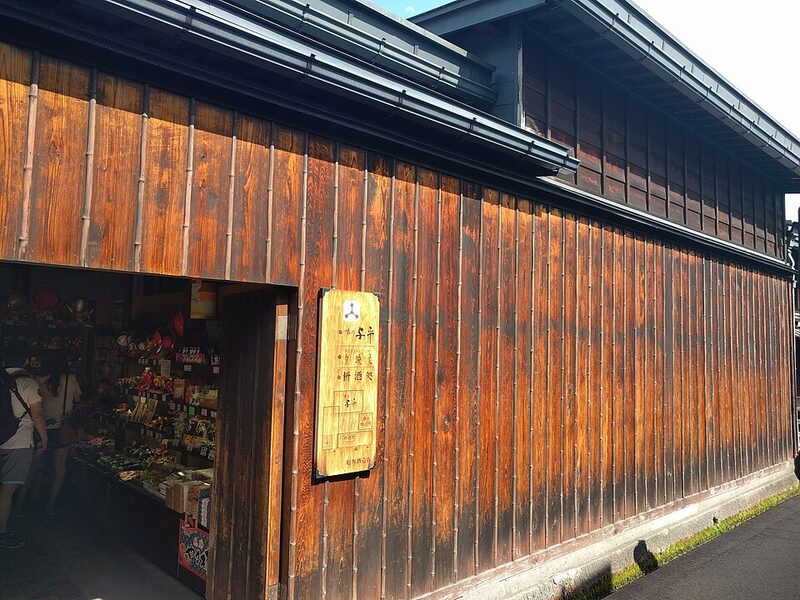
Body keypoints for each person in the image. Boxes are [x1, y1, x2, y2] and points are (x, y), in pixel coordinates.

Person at [0, 340, 47, 549]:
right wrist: (44, 438)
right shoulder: (28, 382)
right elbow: (37, 414)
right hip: (18, 441)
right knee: (7, 490)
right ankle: (2, 533)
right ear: (26, 359)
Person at [34, 353, 81, 515]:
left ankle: (32, 500)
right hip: (63, 428)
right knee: (59, 467)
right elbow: (78, 398)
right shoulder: (71, 378)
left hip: (42, 428)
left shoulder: (40, 379)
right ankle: (51, 504)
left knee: (37, 466)